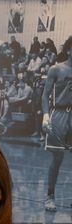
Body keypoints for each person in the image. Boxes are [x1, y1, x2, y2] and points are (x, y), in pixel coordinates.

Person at [41, 35, 72, 212]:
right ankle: (50, 197)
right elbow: (45, 94)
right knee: (58, 158)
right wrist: (46, 115)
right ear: (68, 49)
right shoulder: (56, 69)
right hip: (59, 114)